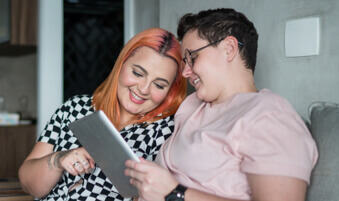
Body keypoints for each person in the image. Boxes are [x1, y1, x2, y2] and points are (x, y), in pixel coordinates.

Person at [125, 8, 318, 201]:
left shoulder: (269, 115)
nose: (185, 73)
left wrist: (175, 194)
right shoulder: (193, 107)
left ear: (229, 49)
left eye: (192, 57)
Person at [18, 27, 187, 201]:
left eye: (159, 85)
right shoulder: (75, 108)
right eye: (137, 73)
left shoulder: (166, 132)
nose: (143, 89)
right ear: (122, 64)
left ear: (170, 91)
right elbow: (28, 184)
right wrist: (59, 159)